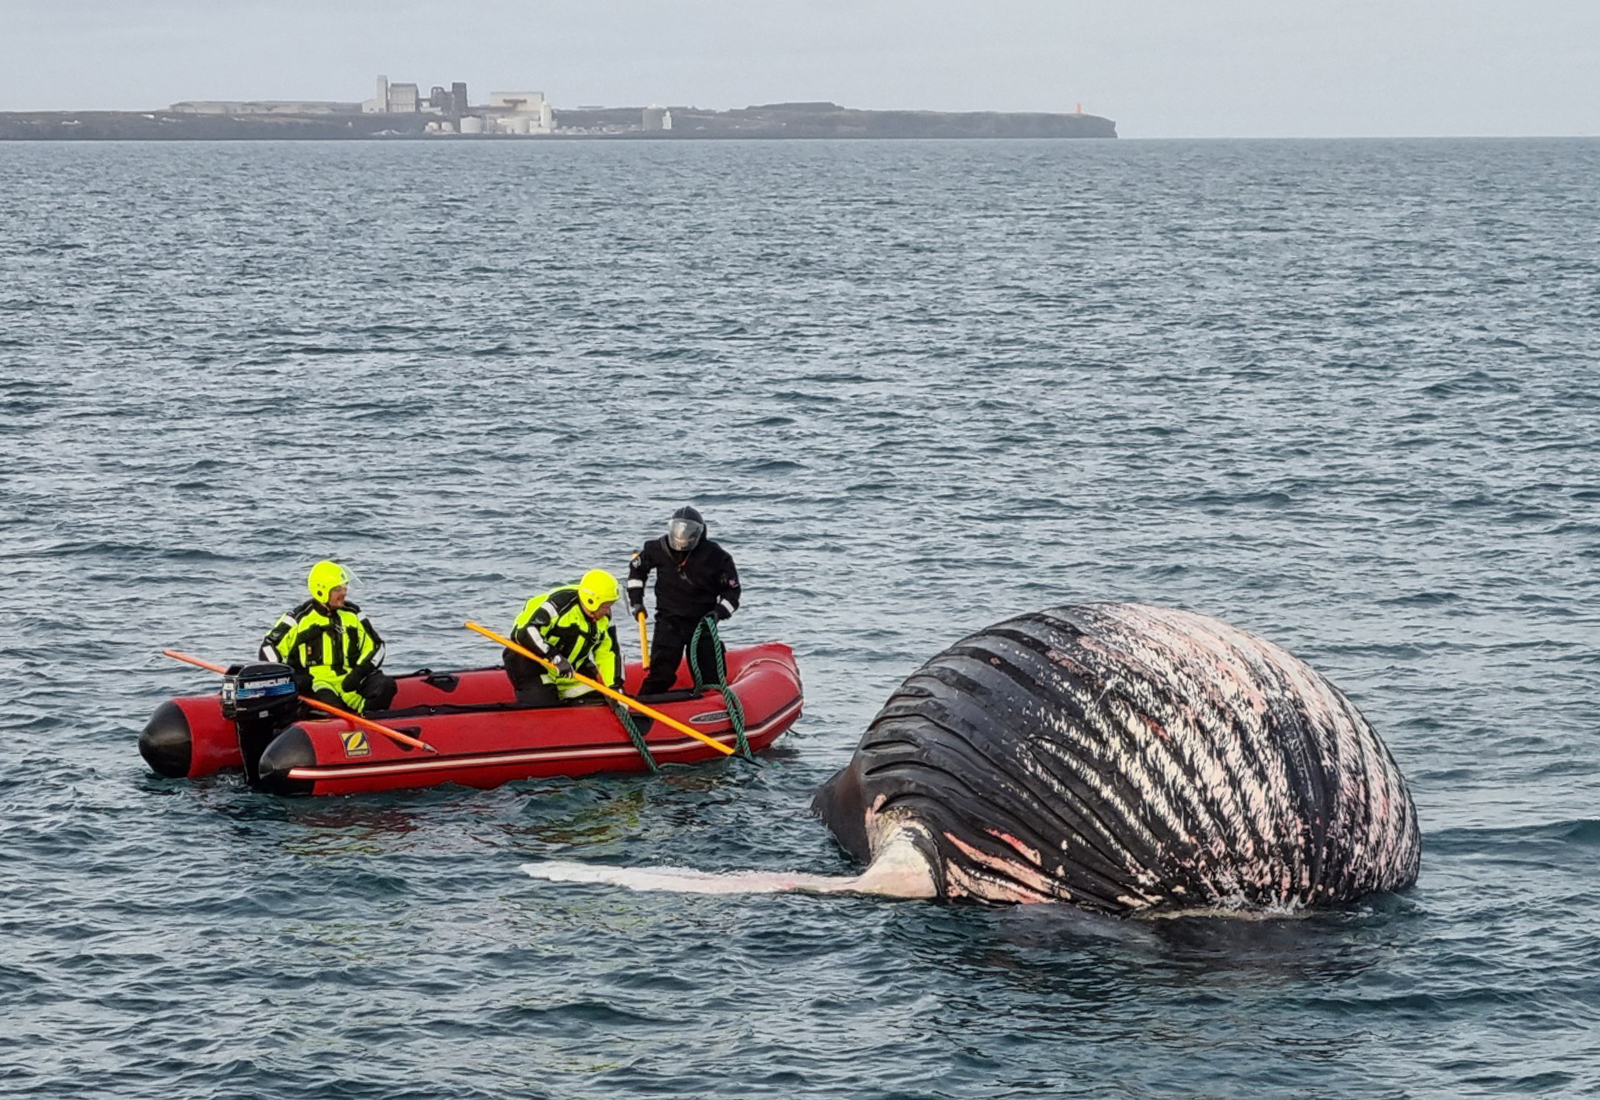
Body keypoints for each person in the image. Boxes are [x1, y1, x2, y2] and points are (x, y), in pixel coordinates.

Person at [627, 506, 740, 697]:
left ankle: (713, 709)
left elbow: (733, 592)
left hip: (703, 623)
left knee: (710, 676)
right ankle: (643, 709)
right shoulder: (657, 548)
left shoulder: (716, 556)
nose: (682, 541)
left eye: (688, 537)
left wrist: (719, 613)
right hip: (669, 621)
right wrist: (637, 601)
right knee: (661, 673)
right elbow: (637, 570)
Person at [259, 560, 397, 714]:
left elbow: (377, 647)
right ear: (321, 591)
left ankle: (368, 722)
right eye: (337, 589)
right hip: (318, 684)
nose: (344, 592)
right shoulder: (298, 619)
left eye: (344, 586)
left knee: (386, 685)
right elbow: (268, 648)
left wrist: (360, 672)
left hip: (350, 681)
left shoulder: (354, 614)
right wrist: (290, 679)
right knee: (329, 705)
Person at [504, 569, 623, 705]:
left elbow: (608, 654)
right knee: (543, 703)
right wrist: (555, 657)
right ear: (592, 602)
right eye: (606, 606)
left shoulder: (604, 619)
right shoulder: (559, 605)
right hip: (534, 663)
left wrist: (614, 686)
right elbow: (524, 632)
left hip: (569, 671)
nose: (608, 611)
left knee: (596, 703)